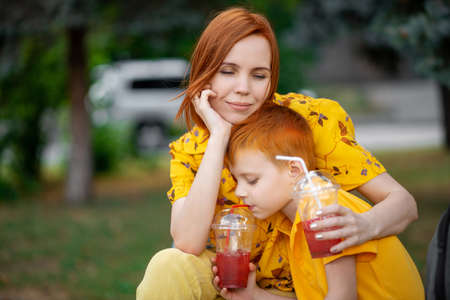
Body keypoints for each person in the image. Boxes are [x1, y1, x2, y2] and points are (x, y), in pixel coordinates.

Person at [136, 7, 418, 299]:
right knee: (168, 266)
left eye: (259, 75)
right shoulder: (191, 151)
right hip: (237, 283)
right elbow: (187, 241)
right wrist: (219, 136)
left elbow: (403, 204)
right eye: (228, 71)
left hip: (315, 281)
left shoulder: (303, 125)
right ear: (205, 74)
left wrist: (364, 226)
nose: (243, 88)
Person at [210, 103, 423, 299]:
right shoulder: (293, 226)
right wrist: (254, 295)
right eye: (237, 180)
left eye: (252, 180)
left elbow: (343, 296)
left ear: (293, 169)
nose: (240, 192)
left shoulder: (321, 208)